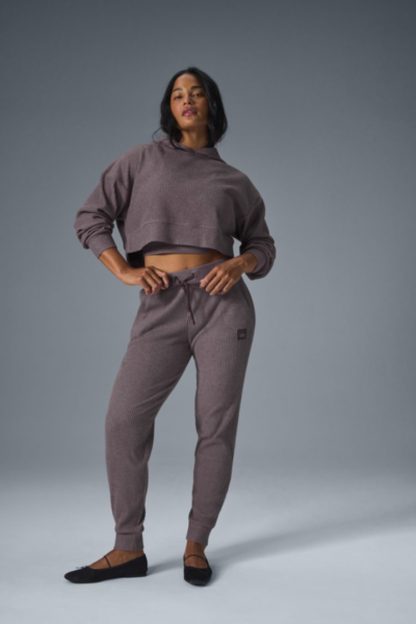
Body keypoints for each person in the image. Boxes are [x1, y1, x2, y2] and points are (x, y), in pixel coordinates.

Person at [64, 66, 276, 587]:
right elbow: (90, 217)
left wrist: (239, 263)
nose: (187, 99)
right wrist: (124, 270)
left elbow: (263, 246)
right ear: (170, 106)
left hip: (223, 305)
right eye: (178, 93)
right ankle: (127, 548)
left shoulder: (236, 182)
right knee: (123, 421)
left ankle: (196, 544)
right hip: (160, 303)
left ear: (211, 106)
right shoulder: (141, 160)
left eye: (197, 92)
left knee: (215, 426)